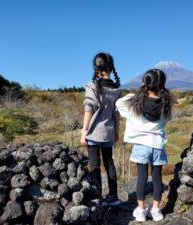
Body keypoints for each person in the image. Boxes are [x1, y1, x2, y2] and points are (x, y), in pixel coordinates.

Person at [116, 69, 175, 221]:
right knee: (157, 178)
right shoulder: (165, 104)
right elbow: (168, 119)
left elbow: (119, 103)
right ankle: (156, 210)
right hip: (157, 145)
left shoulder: (136, 104)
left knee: (142, 177)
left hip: (141, 144)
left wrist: (139, 92)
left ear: (145, 82)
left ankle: (141, 211)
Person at [80, 52, 122, 206]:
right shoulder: (117, 89)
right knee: (109, 163)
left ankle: (98, 197)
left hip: (93, 133)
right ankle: (113, 197)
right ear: (111, 67)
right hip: (108, 132)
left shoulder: (92, 86)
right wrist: (116, 132)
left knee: (95, 165)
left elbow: (88, 109)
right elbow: (117, 114)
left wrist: (84, 131)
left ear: (95, 67)